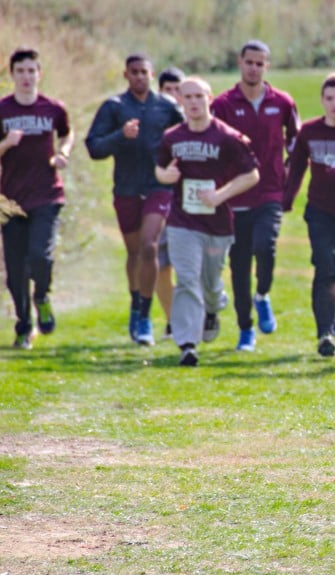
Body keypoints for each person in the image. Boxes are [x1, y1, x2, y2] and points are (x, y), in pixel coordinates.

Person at [155, 76, 260, 366]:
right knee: (187, 279)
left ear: (209, 98)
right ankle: (188, 344)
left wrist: (220, 194)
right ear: (180, 101)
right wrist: (166, 176)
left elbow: (252, 175)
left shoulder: (228, 137)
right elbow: (159, 169)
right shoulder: (172, 138)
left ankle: (213, 309)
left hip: (217, 224)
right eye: (187, 97)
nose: (193, 102)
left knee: (211, 284)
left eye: (198, 97)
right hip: (182, 221)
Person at [85, 53, 183, 345]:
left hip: (158, 186)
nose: (140, 76)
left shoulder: (167, 107)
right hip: (126, 188)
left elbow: (188, 136)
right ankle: (135, 303)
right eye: (134, 72)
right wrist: (120, 136)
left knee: (149, 246)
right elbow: (94, 147)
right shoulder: (114, 107)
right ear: (125, 75)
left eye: (144, 71)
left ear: (152, 74)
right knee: (134, 254)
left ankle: (144, 316)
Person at [211, 40, 299, 352]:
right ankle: (245, 330)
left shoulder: (283, 103)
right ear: (240, 62)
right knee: (237, 266)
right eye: (249, 62)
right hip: (234, 195)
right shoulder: (221, 104)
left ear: (267, 66)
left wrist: (291, 170)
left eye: (260, 63)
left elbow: (296, 143)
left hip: (270, 192)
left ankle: (263, 295)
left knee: (266, 247)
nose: (254, 68)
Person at [283, 73, 335, 357]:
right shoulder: (309, 131)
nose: (334, 104)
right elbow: (295, 169)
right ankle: (325, 333)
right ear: (322, 101)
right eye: (329, 99)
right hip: (319, 212)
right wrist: (286, 200)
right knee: (323, 266)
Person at [0, 47, 74, 349]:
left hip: (47, 194)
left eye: (32, 71)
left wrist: (62, 153)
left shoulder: (53, 108)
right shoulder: (3, 109)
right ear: (12, 75)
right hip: (10, 199)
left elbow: (67, 133)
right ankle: (23, 327)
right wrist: (5, 144)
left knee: (40, 257)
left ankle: (42, 297)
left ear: (39, 74)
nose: (27, 77)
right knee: (15, 272)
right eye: (21, 71)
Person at [156, 66, 186, 340]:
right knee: (161, 264)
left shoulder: (201, 123)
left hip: (193, 203)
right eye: (169, 91)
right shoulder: (156, 124)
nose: (175, 97)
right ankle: (171, 319)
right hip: (160, 200)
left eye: (180, 90)